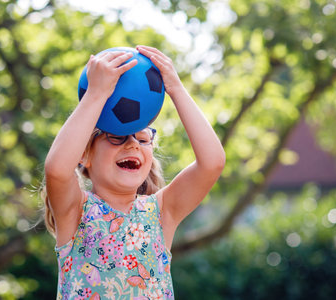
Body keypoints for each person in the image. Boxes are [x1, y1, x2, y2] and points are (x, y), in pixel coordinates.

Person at [43, 45, 225, 299]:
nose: (132, 144)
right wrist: (95, 94)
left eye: (142, 138)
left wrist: (176, 88)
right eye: (117, 137)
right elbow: (57, 170)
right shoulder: (75, 211)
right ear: (84, 155)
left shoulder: (161, 212)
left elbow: (212, 162)